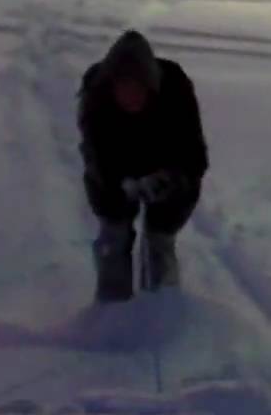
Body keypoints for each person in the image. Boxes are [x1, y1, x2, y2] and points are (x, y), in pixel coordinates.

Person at [77, 29, 209, 301]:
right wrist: (121, 184)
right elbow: (95, 155)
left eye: (137, 89)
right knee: (114, 237)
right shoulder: (96, 95)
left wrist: (169, 180)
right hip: (114, 174)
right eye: (123, 89)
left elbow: (195, 155)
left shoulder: (175, 89)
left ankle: (161, 310)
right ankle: (112, 311)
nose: (130, 96)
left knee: (159, 240)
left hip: (167, 171)